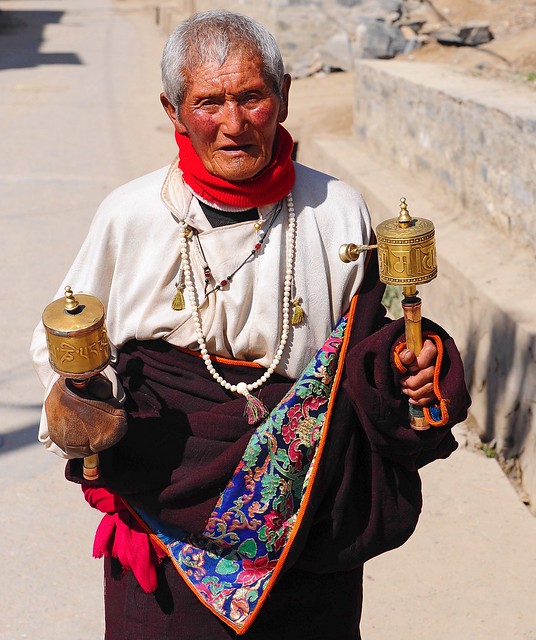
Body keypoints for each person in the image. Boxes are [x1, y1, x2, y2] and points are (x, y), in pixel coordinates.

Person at [31, 9, 470, 640]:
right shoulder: (130, 217)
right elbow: (63, 350)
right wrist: (81, 401)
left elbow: (372, 355)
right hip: (167, 518)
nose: (233, 125)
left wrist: (412, 372)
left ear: (285, 95)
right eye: (208, 102)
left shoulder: (337, 211)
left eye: (252, 97)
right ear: (172, 109)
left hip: (308, 524)